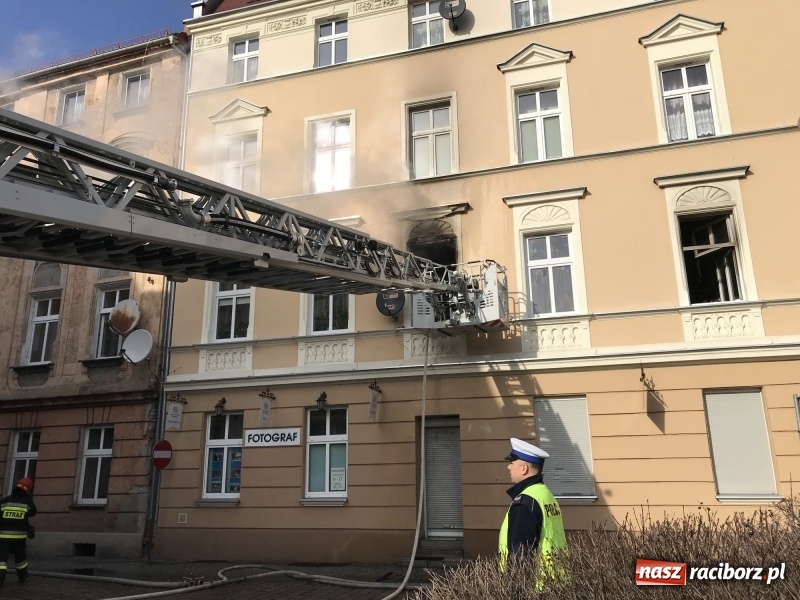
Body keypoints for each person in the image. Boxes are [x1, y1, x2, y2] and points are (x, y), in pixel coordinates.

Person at [498, 438, 567, 587]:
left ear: (524, 468)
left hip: (537, 588)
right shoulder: (546, 495)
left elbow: (521, 556)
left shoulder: (525, 503)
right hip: (557, 584)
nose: (508, 467)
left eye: (512, 462)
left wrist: (514, 593)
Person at [0, 477, 37, 587]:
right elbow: (33, 512)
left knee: (2, 558)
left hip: (3, 535)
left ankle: (0, 577)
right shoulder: (27, 502)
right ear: (28, 489)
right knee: (20, 558)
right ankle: (22, 576)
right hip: (19, 537)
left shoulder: (5, 500)